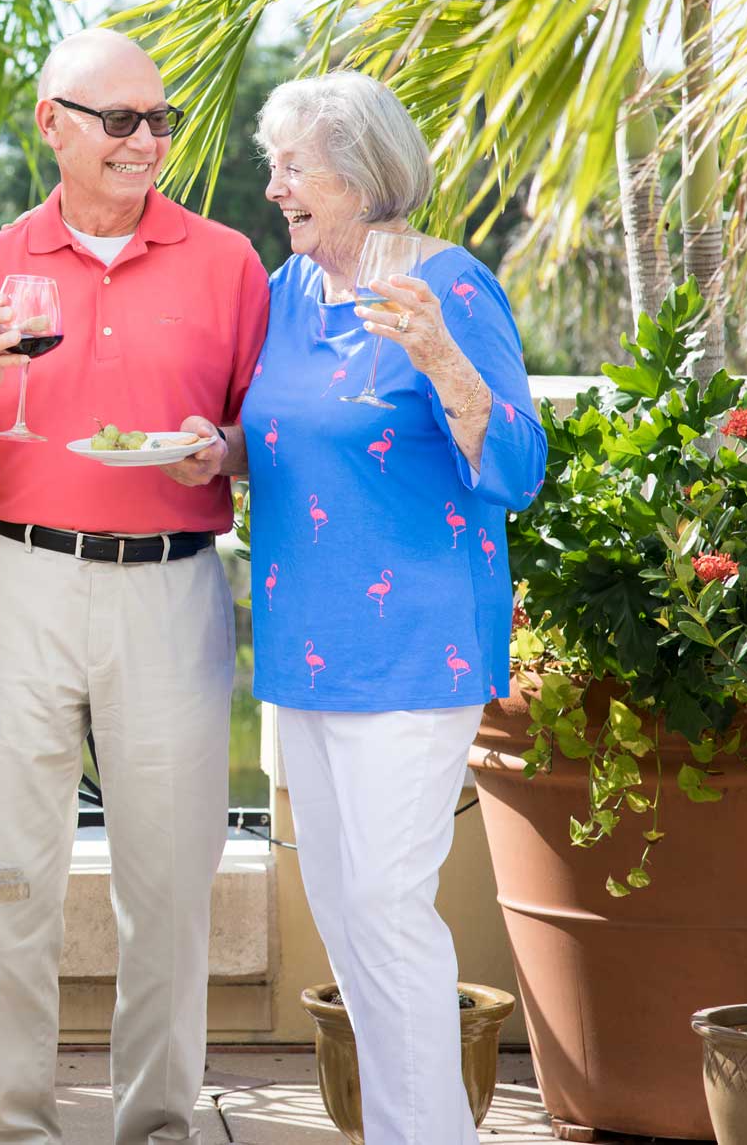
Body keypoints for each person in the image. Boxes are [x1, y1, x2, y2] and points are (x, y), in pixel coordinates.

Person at [0, 27, 269, 1145]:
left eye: (158, 120)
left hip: (170, 589)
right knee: (8, 879)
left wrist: (221, 451)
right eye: (117, 120)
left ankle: (156, 1126)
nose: (143, 141)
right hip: (21, 579)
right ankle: (15, 1128)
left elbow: (264, 436)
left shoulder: (226, 262)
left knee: (167, 890)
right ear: (51, 124)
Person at [226, 70, 544, 1145]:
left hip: (412, 650)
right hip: (300, 647)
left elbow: (515, 464)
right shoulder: (288, 293)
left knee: (386, 909)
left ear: (359, 179)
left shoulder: (447, 286)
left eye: (292, 166)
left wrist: (440, 360)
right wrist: (210, 450)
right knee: (343, 918)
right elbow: (285, 433)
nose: (273, 185)